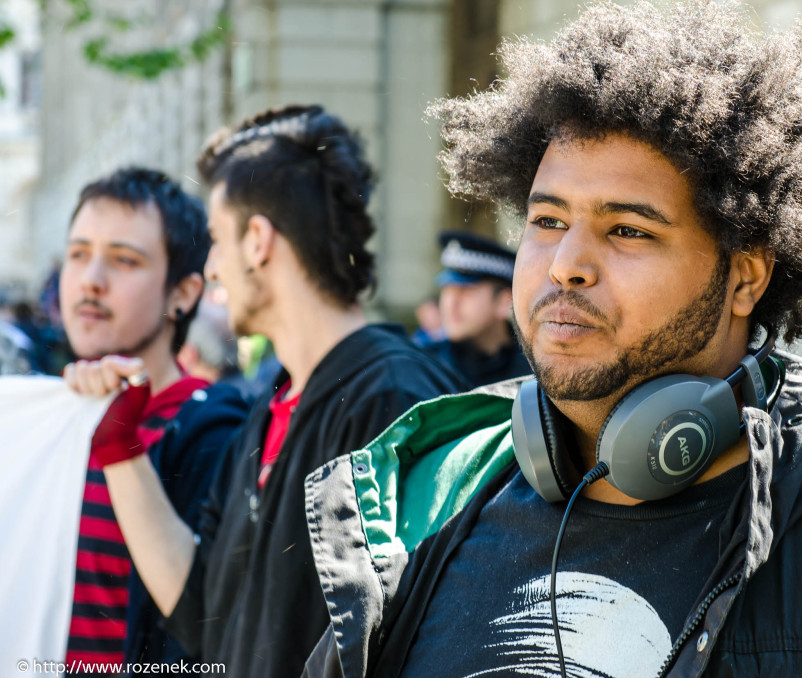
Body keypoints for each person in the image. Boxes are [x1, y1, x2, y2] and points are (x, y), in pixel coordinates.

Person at [302, 3, 802, 676]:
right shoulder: (422, 507)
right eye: (547, 220)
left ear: (744, 278)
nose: (565, 265)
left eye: (628, 230)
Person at [75, 106, 463, 678]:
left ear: (257, 240)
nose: (210, 268)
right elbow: (201, 610)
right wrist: (121, 449)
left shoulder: (396, 401)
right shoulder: (271, 406)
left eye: (214, 240)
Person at [58, 168, 249, 668]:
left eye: (124, 260)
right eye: (78, 254)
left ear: (183, 294)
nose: (91, 280)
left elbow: (209, 625)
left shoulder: (216, 433)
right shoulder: (47, 417)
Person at [424, 231, 532, 387]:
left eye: (465, 290)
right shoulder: (429, 367)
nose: (451, 303)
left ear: (504, 302)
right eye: (447, 289)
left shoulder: (536, 371)